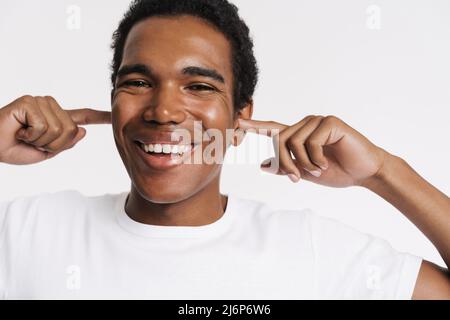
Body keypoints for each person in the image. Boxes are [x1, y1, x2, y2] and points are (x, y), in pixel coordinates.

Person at [0, 0, 449, 300]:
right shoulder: (26, 231)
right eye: (137, 82)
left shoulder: (309, 249)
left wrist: (383, 173)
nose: (163, 110)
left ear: (239, 119)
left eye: (198, 86)